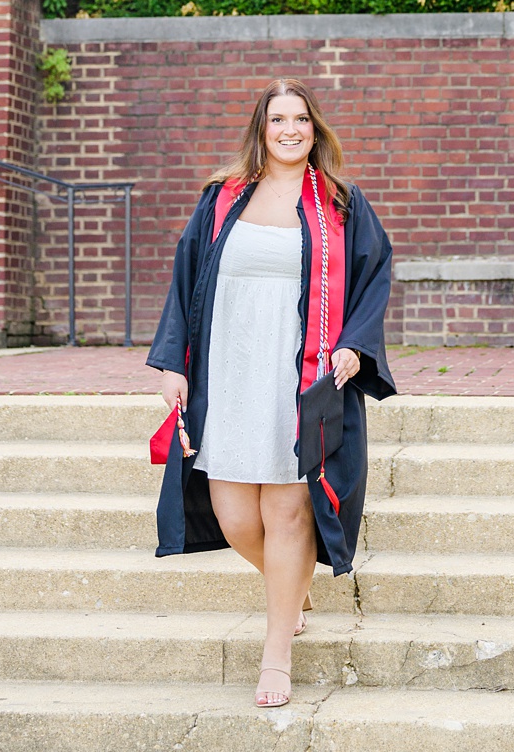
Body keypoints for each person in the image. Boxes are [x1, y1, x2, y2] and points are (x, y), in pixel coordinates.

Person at [145, 81, 395, 710]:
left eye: (301, 119)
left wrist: (354, 346)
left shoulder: (339, 202)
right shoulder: (222, 199)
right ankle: (293, 587)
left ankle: (276, 652)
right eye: (278, 119)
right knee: (235, 519)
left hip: (300, 376)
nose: (290, 129)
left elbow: (373, 276)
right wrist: (173, 362)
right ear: (260, 128)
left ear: (316, 129)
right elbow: (183, 281)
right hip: (229, 375)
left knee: (287, 513)